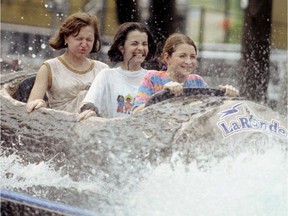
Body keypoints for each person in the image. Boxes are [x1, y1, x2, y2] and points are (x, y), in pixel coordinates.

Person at [133, 33, 239, 113]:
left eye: (192, 57)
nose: (188, 62)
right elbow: (135, 113)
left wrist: (227, 97)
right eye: (182, 56)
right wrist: (161, 95)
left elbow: (211, 111)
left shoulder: (197, 81)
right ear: (167, 57)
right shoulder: (152, 78)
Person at [26, 12, 108, 113]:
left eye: (89, 39)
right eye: (79, 39)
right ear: (66, 37)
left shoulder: (103, 70)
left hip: (94, 126)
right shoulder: (49, 67)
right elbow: (31, 105)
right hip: (59, 125)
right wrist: (40, 104)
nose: (84, 44)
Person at [77, 22, 157, 120]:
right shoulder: (107, 75)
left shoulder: (154, 78)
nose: (140, 48)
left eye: (144, 44)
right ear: (121, 47)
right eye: (134, 44)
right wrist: (89, 111)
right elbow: (88, 103)